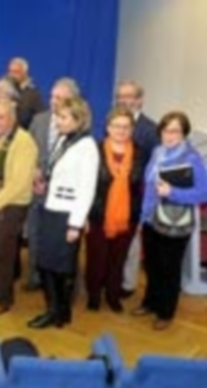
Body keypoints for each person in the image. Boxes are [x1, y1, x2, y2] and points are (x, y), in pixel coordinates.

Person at [28, 96, 99, 329]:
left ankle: (58, 311)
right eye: (58, 116)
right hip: (51, 208)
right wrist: (45, 184)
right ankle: (56, 310)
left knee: (60, 267)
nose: (57, 121)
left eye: (63, 117)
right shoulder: (64, 139)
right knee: (46, 263)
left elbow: (86, 189)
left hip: (67, 216)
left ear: (79, 120)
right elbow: (58, 174)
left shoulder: (87, 147)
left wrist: (75, 224)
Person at [133, 111, 207, 330]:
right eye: (165, 130)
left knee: (169, 269)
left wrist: (172, 192)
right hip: (151, 219)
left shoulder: (192, 159)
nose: (169, 135)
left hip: (176, 223)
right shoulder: (157, 152)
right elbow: (148, 188)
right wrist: (142, 217)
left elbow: (203, 193)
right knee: (152, 265)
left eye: (175, 130)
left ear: (184, 133)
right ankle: (150, 303)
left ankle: (166, 312)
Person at [0, 100, 38, 317]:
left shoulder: (24, 142)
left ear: (12, 118)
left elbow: (19, 182)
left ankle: (2, 300)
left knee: (3, 254)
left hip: (10, 206)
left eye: (1, 117)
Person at [85, 107, 148, 313]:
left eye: (126, 126)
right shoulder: (94, 149)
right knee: (96, 260)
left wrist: (140, 218)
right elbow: (86, 185)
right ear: (108, 127)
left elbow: (141, 188)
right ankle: (93, 295)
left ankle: (113, 295)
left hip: (127, 218)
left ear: (132, 129)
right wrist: (84, 216)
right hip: (98, 216)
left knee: (118, 260)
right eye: (116, 126)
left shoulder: (140, 153)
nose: (121, 130)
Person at [26, 78, 80, 291]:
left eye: (59, 98)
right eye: (52, 96)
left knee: (59, 243)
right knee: (35, 234)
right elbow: (29, 151)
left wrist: (50, 182)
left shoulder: (77, 127)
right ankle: (34, 276)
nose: (53, 101)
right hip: (36, 190)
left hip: (62, 196)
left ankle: (62, 285)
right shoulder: (39, 120)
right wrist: (34, 174)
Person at [115, 80, 160, 298]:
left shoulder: (151, 129)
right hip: (112, 195)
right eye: (120, 96)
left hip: (136, 195)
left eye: (128, 96)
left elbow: (154, 167)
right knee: (114, 240)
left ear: (140, 100)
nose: (123, 100)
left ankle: (128, 284)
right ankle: (112, 278)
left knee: (131, 243)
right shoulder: (112, 122)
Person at [7, 58, 45, 129]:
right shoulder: (6, 89)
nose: (12, 75)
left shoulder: (33, 94)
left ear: (25, 72)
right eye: (10, 72)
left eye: (16, 72)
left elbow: (39, 118)